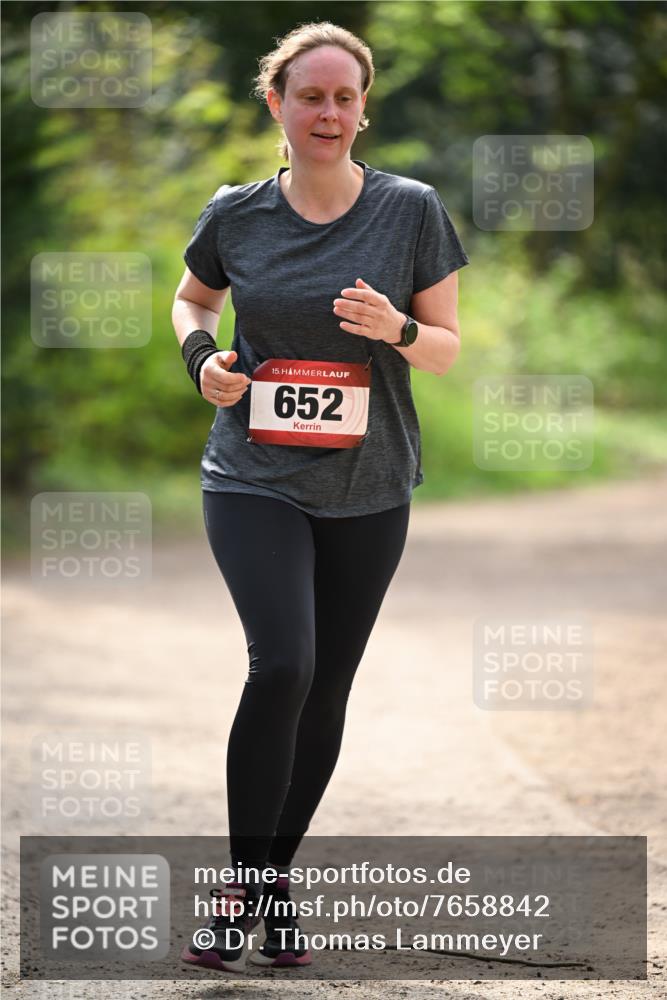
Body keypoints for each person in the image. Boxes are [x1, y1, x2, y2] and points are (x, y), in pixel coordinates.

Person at [174, 20, 469, 975]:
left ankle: (273, 886)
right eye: (311, 95)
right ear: (277, 103)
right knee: (285, 666)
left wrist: (393, 329)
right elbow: (193, 301)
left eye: (345, 97)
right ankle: (237, 897)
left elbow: (447, 346)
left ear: (364, 108)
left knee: (327, 689)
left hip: (370, 483)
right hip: (252, 472)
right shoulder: (237, 213)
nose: (329, 113)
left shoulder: (410, 210)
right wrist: (203, 362)